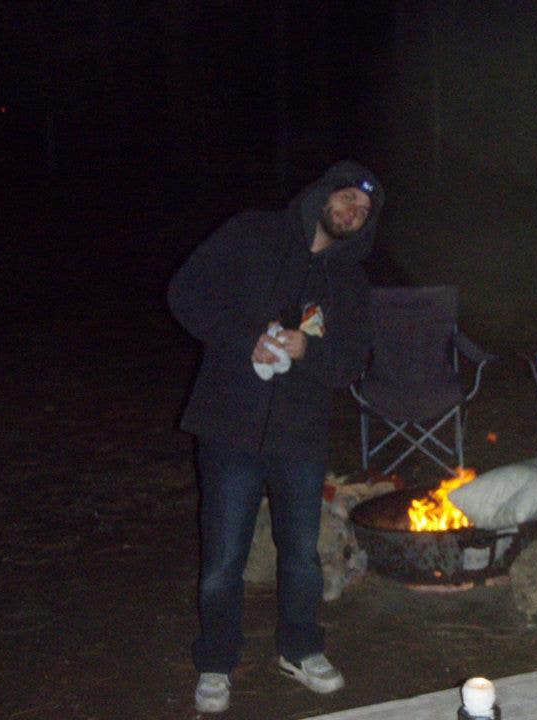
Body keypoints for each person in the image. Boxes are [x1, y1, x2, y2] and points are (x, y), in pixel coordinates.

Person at [168, 160, 384, 714]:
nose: (352, 213)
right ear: (323, 195)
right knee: (223, 558)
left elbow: (351, 362)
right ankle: (216, 660)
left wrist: (308, 349)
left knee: (302, 556)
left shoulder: (351, 284)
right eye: (346, 200)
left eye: (363, 211)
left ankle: (301, 648)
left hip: (300, 433)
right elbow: (187, 293)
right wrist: (245, 340)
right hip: (229, 423)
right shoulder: (252, 234)